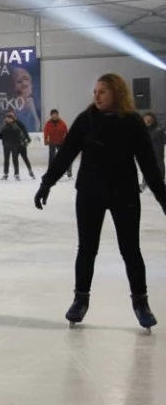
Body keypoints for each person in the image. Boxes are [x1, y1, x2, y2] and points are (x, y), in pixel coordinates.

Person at [35, 74, 166, 330]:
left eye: (102, 92)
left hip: (124, 194)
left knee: (131, 250)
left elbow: (149, 165)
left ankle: (141, 303)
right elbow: (66, 155)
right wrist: (46, 183)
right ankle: (80, 300)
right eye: (95, 91)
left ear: (117, 93)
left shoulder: (132, 122)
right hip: (90, 193)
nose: (96, 96)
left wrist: (163, 199)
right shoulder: (86, 120)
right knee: (86, 249)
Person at [0, 111, 33, 181]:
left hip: (15, 145)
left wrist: (27, 139)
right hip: (6, 145)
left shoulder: (17, 125)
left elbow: (23, 131)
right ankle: (5, 174)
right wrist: (3, 141)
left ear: (13, 118)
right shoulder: (4, 125)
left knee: (16, 159)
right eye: (7, 118)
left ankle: (17, 174)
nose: (8, 119)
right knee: (6, 160)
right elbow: (1, 135)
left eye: (10, 118)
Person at [44, 109, 71, 180]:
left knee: (64, 157)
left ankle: (68, 170)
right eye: (53, 114)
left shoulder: (62, 123)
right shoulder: (48, 123)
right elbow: (46, 132)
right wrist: (46, 140)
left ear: (58, 115)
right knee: (51, 157)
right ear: (51, 115)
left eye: (56, 114)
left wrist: (67, 141)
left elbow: (66, 132)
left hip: (61, 142)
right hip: (52, 142)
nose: (55, 116)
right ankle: (50, 171)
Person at [141, 112, 165, 193]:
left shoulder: (159, 130)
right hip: (146, 154)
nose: (147, 121)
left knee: (159, 167)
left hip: (157, 155)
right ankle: (145, 182)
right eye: (146, 120)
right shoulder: (142, 129)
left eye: (149, 120)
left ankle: (160, 183)